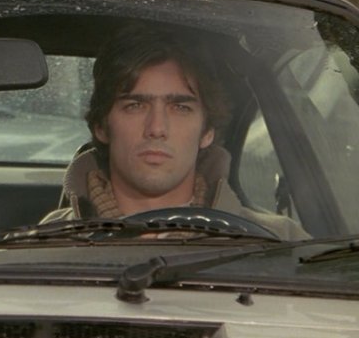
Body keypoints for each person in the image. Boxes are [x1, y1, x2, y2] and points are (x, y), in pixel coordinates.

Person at [41, 24, 309, 241]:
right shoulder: (48, 244)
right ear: (101, 126)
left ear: (207, 131)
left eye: (180, 107)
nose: (157, 128)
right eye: (135, 106)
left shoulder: (280, 241)